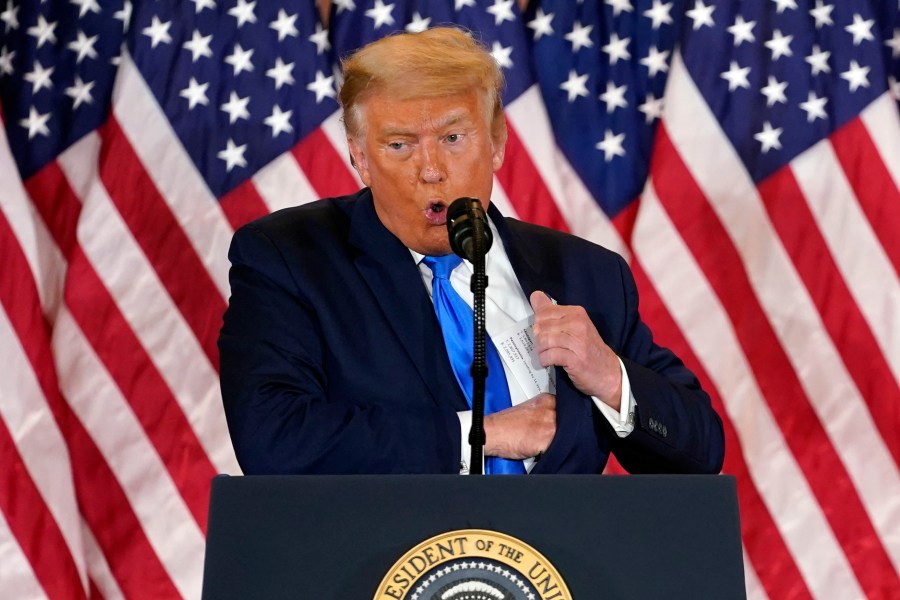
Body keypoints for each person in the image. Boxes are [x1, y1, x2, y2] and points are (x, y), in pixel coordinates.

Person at [218, 27, 724, 475]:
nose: (432, 169)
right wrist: (483, 434)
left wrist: (609, 376)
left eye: (454, 137)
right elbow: (274, 438)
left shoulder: (587, 274)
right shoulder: (290, 258)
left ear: (498, 142)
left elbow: (701, 453)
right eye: (399, 145)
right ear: (359, 156)